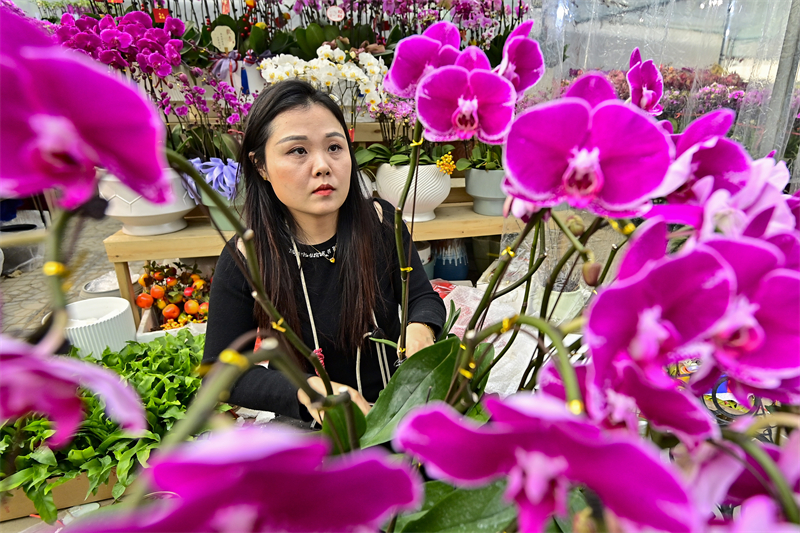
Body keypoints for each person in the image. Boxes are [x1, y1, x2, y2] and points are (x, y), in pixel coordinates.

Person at [202, 79, 446, 423]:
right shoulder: (247, 258)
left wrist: (421, 328)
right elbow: (221, 372)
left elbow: (423, 297)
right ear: (260, 166)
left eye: (334, 147)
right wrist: (308, 390)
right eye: (297, 151)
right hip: (316, 429)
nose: (322, 165)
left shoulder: (380, 223)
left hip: (402, 408)